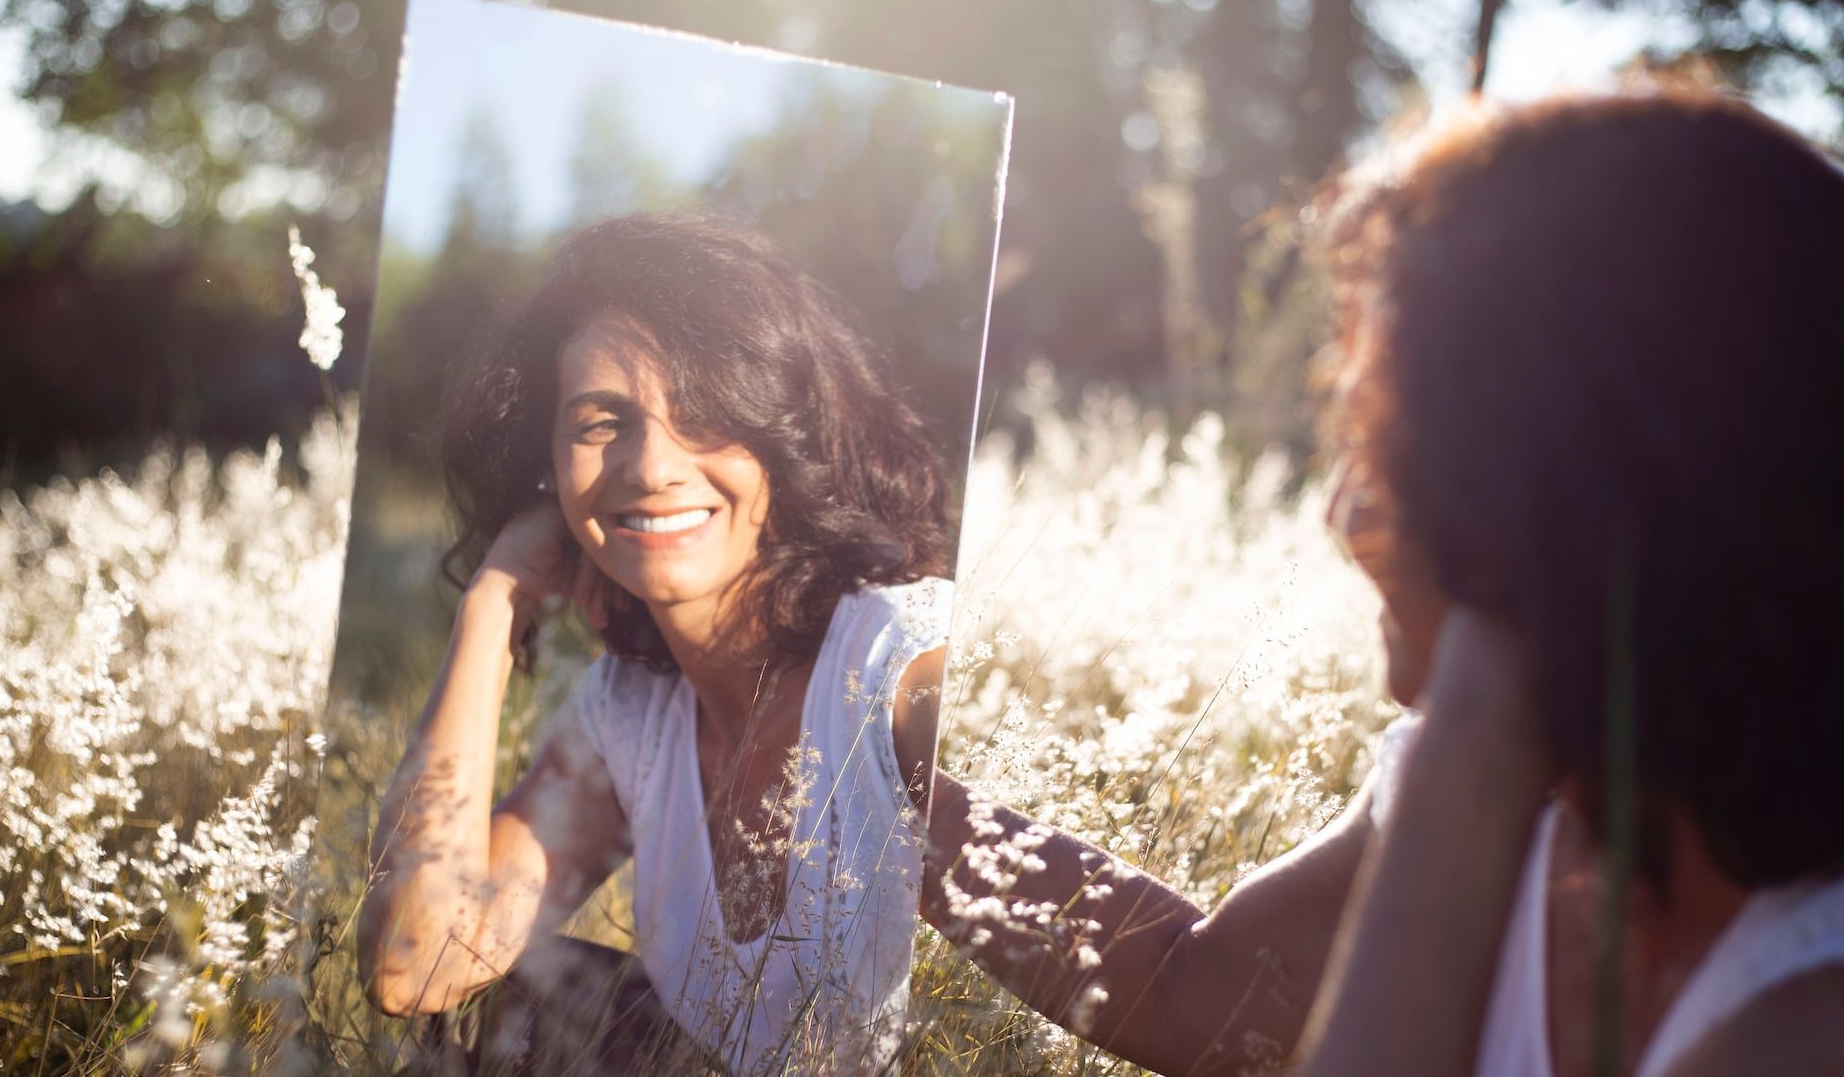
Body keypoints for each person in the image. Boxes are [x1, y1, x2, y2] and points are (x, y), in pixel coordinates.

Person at [919, 87, 1844, 1075]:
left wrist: (1474, 737)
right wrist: (889, 792)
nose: (1343, 516)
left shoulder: (1806, 1013)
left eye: (1390, 453)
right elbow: (1197, 992)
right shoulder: (1537, 791)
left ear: (1554, 493)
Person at [356, 213, 959, 1075]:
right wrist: (492, 606)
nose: (651, 467)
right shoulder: (631, 714)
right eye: (602, 423)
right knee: (508, 1007)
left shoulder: (902, 662)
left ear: (784, 434)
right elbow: (418, 965)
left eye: (706, 411)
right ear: (548, 465)